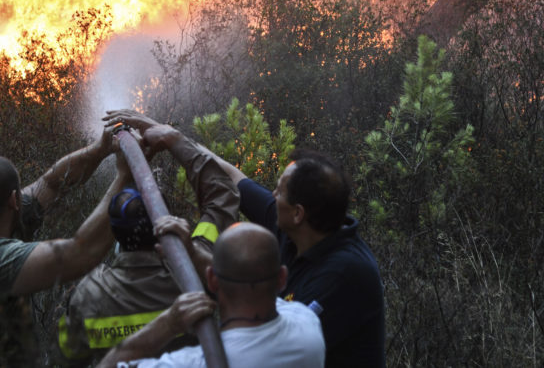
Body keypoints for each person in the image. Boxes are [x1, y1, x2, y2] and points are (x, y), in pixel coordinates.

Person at [106, 109, 385, 368]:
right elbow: (232, 177)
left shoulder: (344, 275)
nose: (271, 196)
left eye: (278, 192)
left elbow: (259, 328)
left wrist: (169, 322)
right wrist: (171, 137)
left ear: (298, 213)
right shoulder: (301, 229)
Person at [0, 127, 129, 366]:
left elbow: (51, 184)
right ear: (13, 200)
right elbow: (81, 253)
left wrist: (98, 149)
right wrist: (125, 177)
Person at [58, 124, 240, 362]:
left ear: (113, 231)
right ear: (164, 221)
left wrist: (122, 175)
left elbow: (68, 353)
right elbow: (222, 194)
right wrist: (173, 139)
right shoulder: (197, 271)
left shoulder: (88, 294)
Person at [96, 221, 325, 367]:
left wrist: (168, 324)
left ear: (212, 281)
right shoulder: (308, 326)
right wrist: (193, 252)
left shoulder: (193, 363)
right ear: (282, 278)